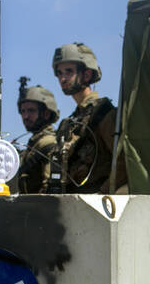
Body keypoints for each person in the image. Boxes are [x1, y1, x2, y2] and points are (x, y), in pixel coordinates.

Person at [51, 42, 127, 193]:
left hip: (95, 200)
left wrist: (102, 194)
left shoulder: (104, 114)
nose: (62, 79)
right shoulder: (69, 123)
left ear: (86, 74)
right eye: (59, 73)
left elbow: (123, 162)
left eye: (68, 71)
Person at [15, 85, 59, 194]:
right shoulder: (35, 143)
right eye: (23, 111)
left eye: (31, 110)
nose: (25, 116)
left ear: (46, 114)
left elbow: (49, 189)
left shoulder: (48, 142)